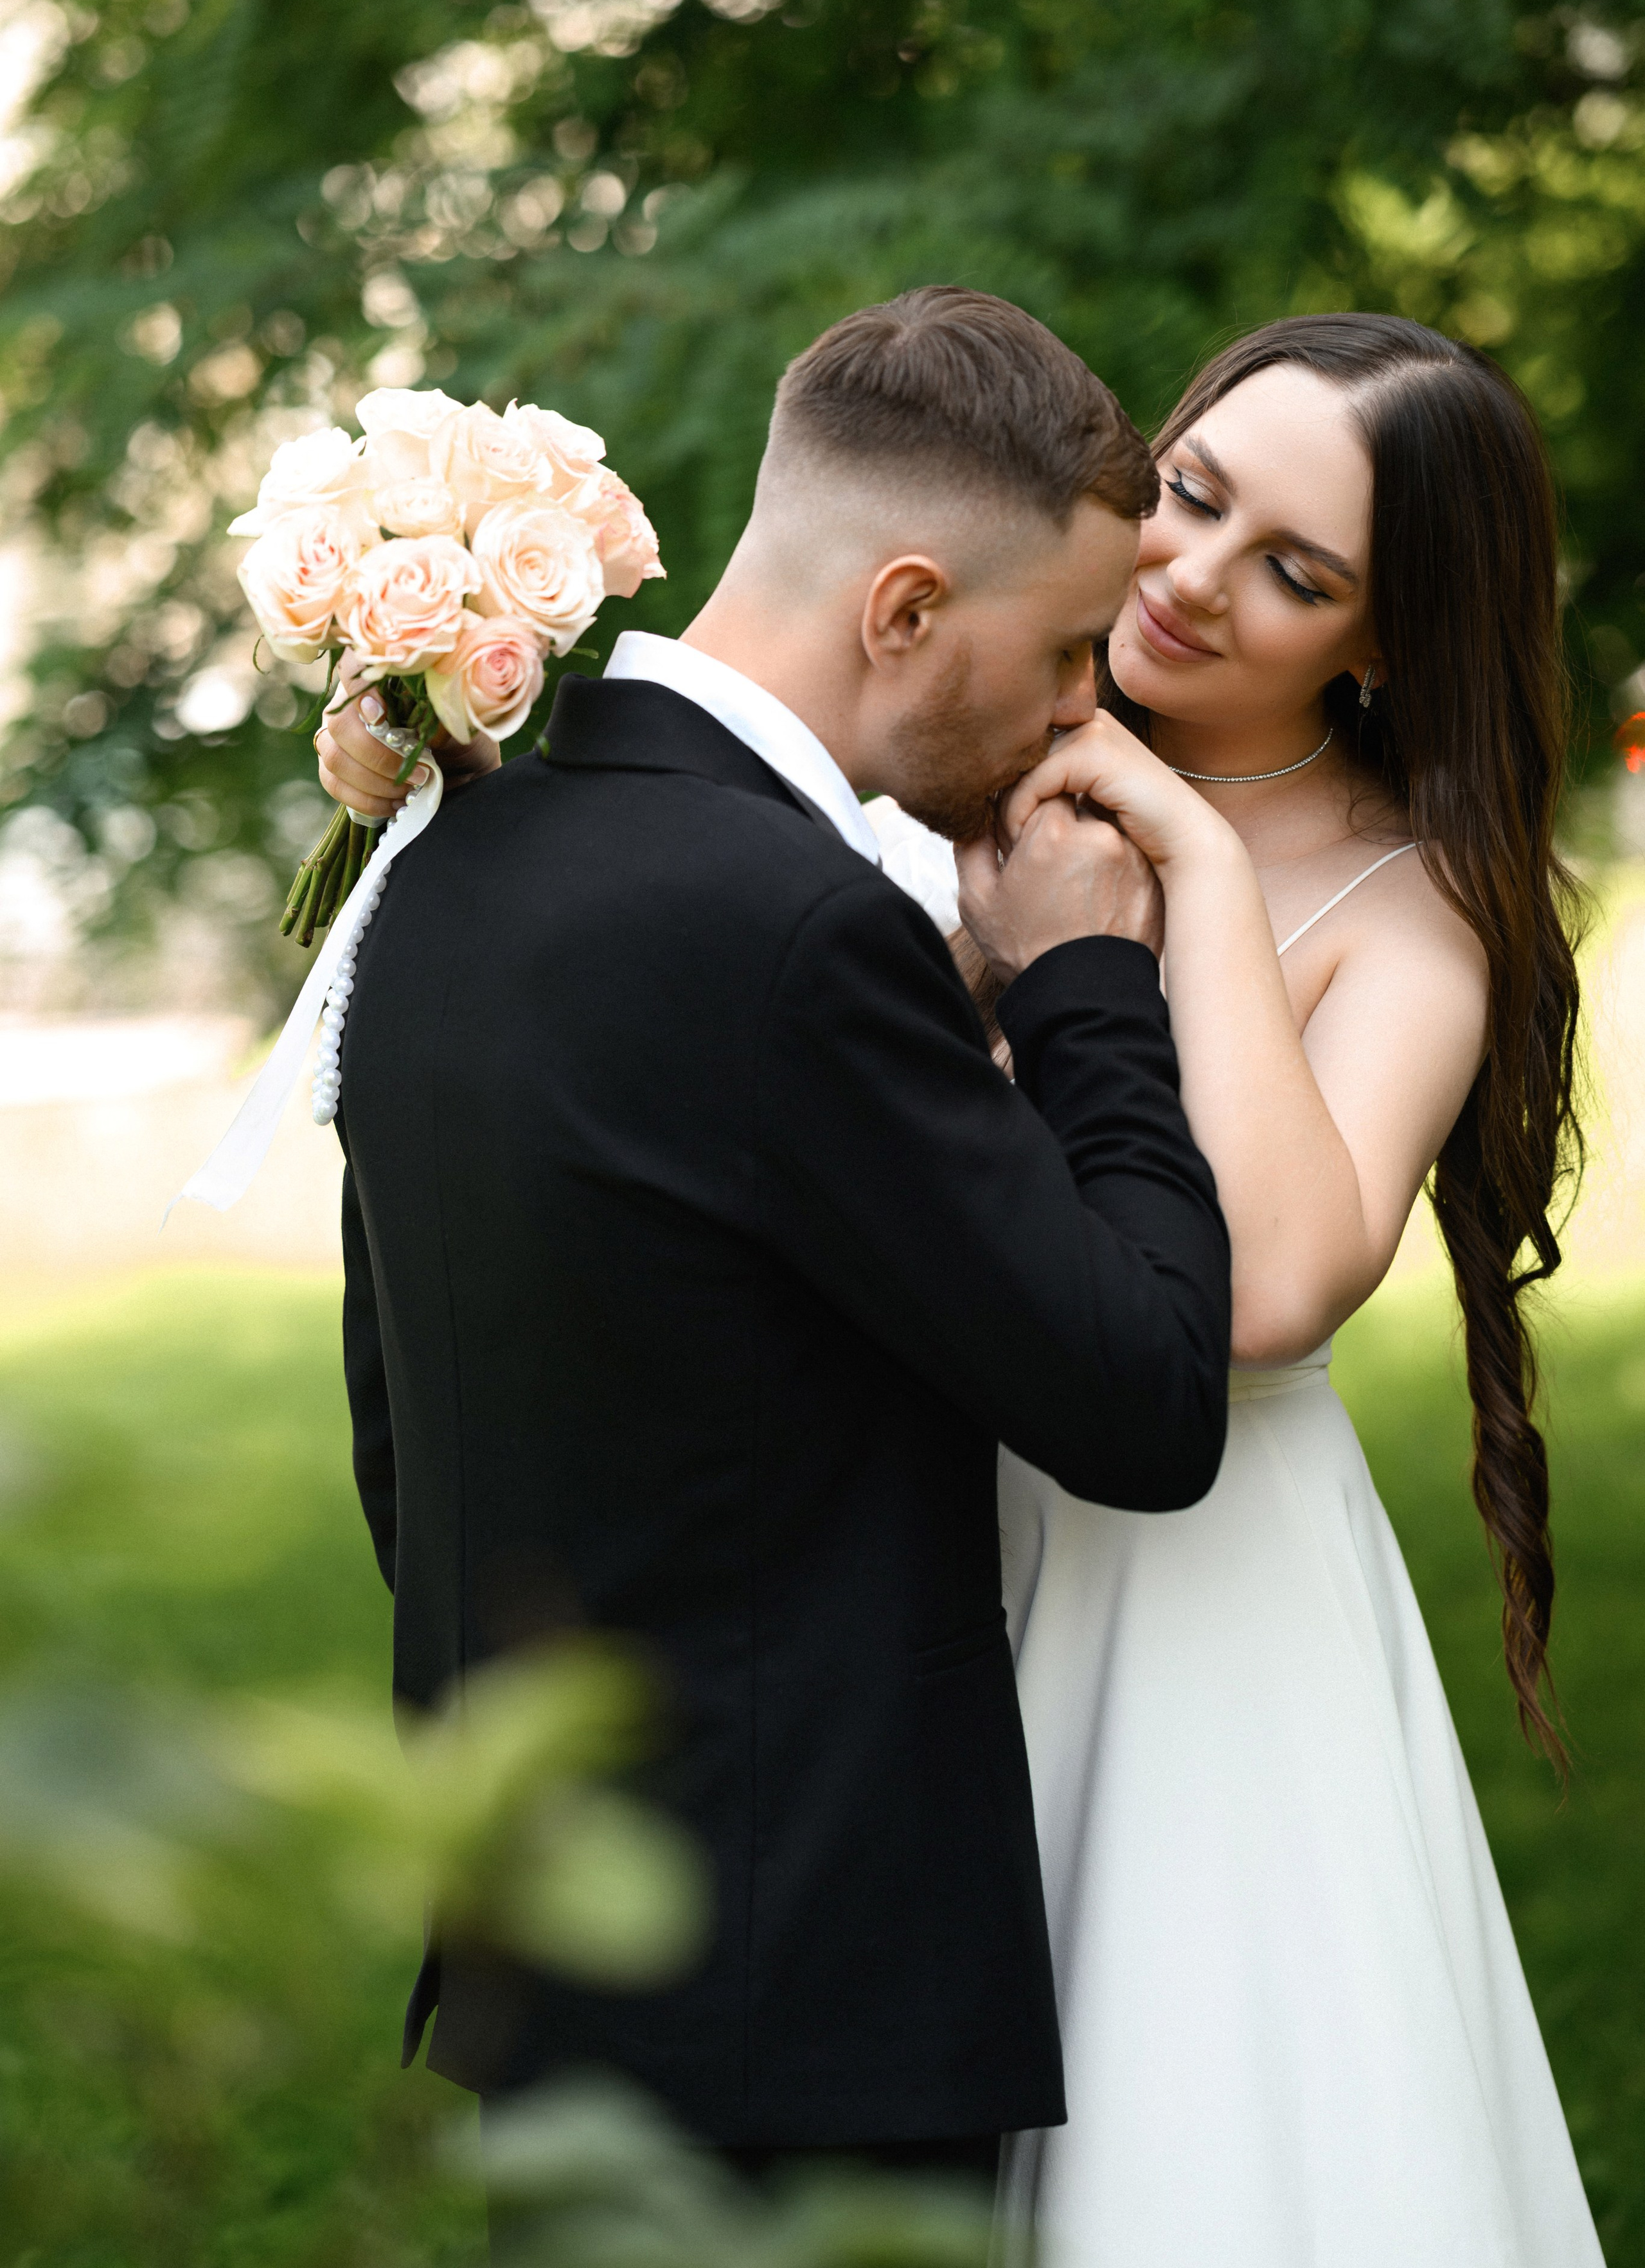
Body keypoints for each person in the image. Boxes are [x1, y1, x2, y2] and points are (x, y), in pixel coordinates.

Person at [317, 287, 1231, 2184]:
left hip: (557, 1955)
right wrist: (1088, 984)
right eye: (1068, 647)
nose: (1088, 703)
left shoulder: (442, 872)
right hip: (806, 2002)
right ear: (906, 610)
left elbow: (408, 1444)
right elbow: (1147, 1396)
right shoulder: (801, 930)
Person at [880, 313, 1602, 2264]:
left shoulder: (1409, 908)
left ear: (1385, 642)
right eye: (1190, 494)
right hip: (902, 1549)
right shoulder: (957, 740)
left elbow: (1272, 1287)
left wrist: (1196, 861)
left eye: (1295, 573)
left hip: (1192, 1604)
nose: (1191, 577)